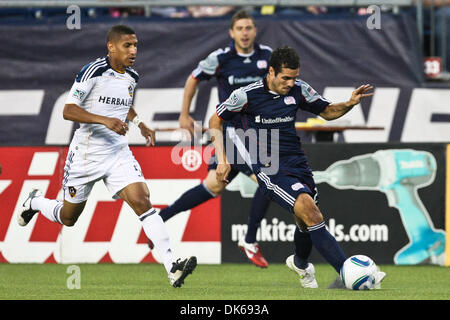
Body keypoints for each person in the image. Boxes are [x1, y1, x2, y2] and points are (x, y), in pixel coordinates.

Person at [17, 25, 197, 288]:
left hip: (117, 152)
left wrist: (140, 123)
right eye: (127, 45)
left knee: (143, 200)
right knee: (68, 217)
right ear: (111, 46)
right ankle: (34, 202)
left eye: (136, 45)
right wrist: (105, 121)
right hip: (86, 154)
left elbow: (124, 105)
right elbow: (68, 110)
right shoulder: (93, 71)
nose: (134, 51)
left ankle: (172, 266)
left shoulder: (132, 76)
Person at [209, 45, 386, 288]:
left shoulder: (299, 89)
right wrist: (221, 158)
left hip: (297, 162)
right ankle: (349, 274)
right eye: (285, 78)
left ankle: (300, 264)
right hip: (269, 167)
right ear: (270, 72)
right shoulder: (246, 95)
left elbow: (327, 111)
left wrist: (350, 103)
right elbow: (215, 120)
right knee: (310, 211)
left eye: (294, 77)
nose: (291, 83)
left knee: (305, 220)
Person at [155, 10, 273, 268]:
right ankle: (250, 240)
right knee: (269, 181)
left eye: (249, 28)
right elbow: (193, 79)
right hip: (230, 132)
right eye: (240, 28)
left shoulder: (267, 56)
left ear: (255, 31)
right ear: (232, 33)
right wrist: (184, 114)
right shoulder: (220, 58)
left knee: (214, 185)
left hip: (260, 133)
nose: (244, 32)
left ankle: (159, 219)